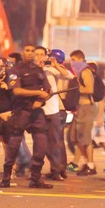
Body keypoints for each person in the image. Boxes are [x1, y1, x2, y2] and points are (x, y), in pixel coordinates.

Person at [0, 44, 52, 189]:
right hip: (21, 111)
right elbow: (16, 91)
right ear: (23, 52)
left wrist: (41, 100)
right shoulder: (15, 70)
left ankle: (35, 179)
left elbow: (48, 90)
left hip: (36, 112)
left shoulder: (39, 70)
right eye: (27, 50)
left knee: (41, 147)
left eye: (32, 51)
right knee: (13, 146)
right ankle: (6, 178)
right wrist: (38, 93)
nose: (30, 53)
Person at [34, 46, 74, 181]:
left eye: (42, 54)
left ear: (46, 56)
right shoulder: (30, 70)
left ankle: (56, 170)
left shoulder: (50, 69)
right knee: (40, 143)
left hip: (52, 110)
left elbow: (69, 76)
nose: (39, 57)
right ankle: (37, 170)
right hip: (37, 111)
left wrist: (55, 65)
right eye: (37, 54)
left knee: (55, 142)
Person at [69, 49, 98, 176]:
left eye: (74, 60)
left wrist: (76, 88)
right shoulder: (79, 72)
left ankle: (90, 165)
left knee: (85, 138)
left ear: (81, 59)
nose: (72, 63)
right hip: (79, 107)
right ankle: (86, 162)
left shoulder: (86, 72)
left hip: (87, 107)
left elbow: (89, 89)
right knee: (74, 138)